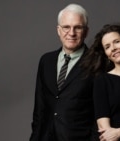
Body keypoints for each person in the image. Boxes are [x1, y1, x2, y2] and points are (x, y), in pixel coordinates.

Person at [29, 3, 98, 141]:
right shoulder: (46, 61)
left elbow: (100, 112)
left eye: (77, 27)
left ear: (86, 31)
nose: (71, 33)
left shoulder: (97, 63)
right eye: (66, 27)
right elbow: (39, 108)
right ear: (58, 30)